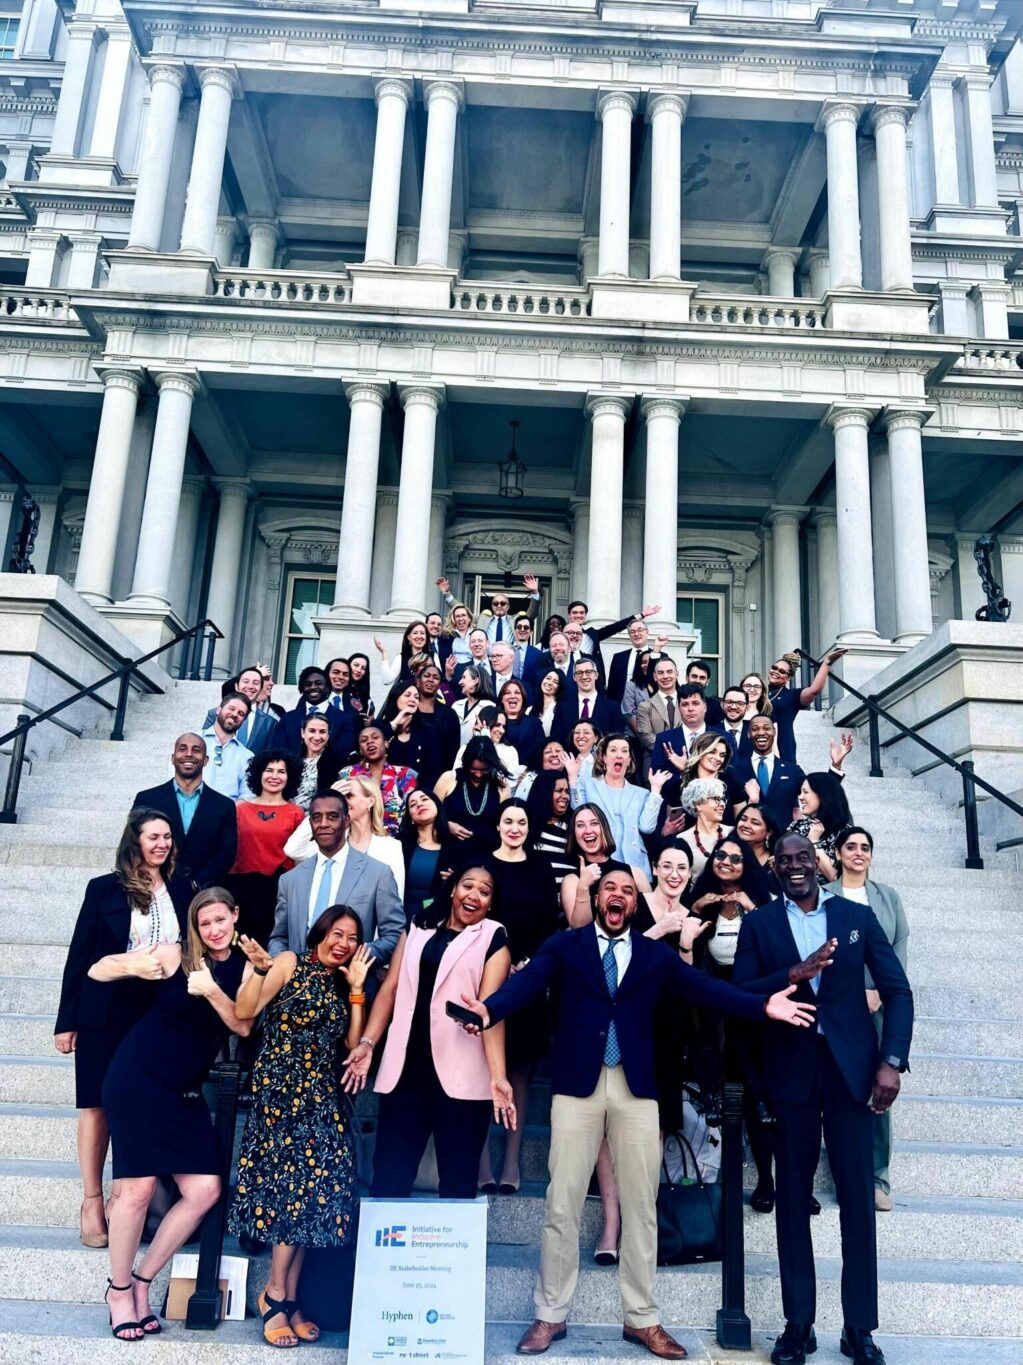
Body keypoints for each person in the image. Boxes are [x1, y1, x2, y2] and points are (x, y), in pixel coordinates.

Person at [459, 861, 817, 1359]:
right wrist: (488, 1008)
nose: (618, 896)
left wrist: (766, 1003)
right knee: (561, 1202)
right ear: (598, 895)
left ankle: (641, 1319)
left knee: (642, 1207)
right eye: (610, 888)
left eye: (628, 891)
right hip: (577, 1087)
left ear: (635, 903)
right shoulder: (567, 944)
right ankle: (550, 1315)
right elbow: (528, 983)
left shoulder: (655, 955)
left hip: (637, 1088)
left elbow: (710, 990)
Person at [733, 833, 913, 1365]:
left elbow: (898, 990)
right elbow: (743, 993)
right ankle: (799, 1325)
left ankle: (859, 1328)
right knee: (792, 1200)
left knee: (857, 1199)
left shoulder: (853, 916)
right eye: (783, 860)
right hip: (789, 1079)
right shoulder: (759, 924)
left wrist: (892, 1061)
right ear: (774, 868)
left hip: (853, 1077)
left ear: (818, 863)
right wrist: (793, 973)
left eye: (802, 858)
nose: (794, 866)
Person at [100, 888, 253, 1340]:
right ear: (195, 926)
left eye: (220, 920)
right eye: (205, 923)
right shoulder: (176, 956)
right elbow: (99, 967)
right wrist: (126, 964)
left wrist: (210, 991)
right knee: (137, 1190)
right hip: (137, 1078)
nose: (214, 930)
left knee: (205, 1188)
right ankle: (118, 1290)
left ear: (235, 915)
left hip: (181, 1091)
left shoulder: (247, 967)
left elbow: (243, 1023)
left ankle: (143, 1280)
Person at [231, 908, 371, 1347]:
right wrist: (257, 969)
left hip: (321, 1099)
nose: (343, 942)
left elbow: (351, 1044)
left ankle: (287, 1297)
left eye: (352, 937)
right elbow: (246, 1010)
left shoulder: (336, 983)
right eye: (336, 933)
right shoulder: (290, 963)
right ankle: (274, 1295)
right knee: (291, 1195)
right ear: (319, 933)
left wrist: (357, 990)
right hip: (281, 1097)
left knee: (315, 1197)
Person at [54, 810, 190, 1251]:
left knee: (140, 1104)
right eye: (153, 837)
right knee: (96, 1106)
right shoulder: (103, 889)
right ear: (135, 840)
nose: (161, 844)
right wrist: (66, 1021)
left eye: (167, 837)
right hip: (105, 1009)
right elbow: (81, 953)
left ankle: (128, 1199)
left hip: (158, 1013)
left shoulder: (184, 889)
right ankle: (92, 1201)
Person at [342, 865, 516, 1199]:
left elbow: (491, 1014)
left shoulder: (495, 938)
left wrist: (498, 1077)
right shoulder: (417, 926)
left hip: (461, 1075)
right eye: (468, 885)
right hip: (405, 1072)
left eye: (485, 891)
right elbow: (390, 988)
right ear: (452, 889)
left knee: (458, 1183)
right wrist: (367, 1043)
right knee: (389, 1177)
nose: (474, 895)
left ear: (491, 902)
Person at [686, 837, 776, 1211]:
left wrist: (751, 909)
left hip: (750, 1006)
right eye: (720, 855)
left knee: (755, 1092)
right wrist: (695, 909)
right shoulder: (701, 899)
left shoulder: (760, 904)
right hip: (710, 1007)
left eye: (736, 858)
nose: (726, 861)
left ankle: (766, 1179)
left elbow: (775, 953)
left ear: (746, 866)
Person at [479, 800, 560, 1192]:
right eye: (508, 820)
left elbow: (549, 920)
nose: (515, 827)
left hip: (526, 975)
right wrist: (496, 962)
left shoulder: (541, 867)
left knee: (519, 1069)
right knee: (479, 1065)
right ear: (498, 825)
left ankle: (511, 1162)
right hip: (481, 973)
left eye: (522, 822)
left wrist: (525, 964)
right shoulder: (482, 865)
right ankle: (480, 1163)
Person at [834, 826, 910, 1214]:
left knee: (880, 1090)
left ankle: (877, 1177)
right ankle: (841, 1173)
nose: (858, 853)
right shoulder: (825, 895)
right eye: (851, 846)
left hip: (879, 1002)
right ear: (839, 853)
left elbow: (898, 948)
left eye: (865, 847)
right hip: (836, 1005)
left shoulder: (888, 897)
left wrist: (881, 992)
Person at [268, 792, 405, 967]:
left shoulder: (377, 873)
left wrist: (355, 958)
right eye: (317, 818)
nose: (323, 824)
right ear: (311, 824)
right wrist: (284, 967)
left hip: (350, 984)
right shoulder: (290, 880)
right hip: (297, 986)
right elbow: (279, 937)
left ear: (347, 821)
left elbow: (395, 934)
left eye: (332, 817)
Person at [133, 733, 237, 890]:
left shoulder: (224, 805)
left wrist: (197, 883)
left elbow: (226, 853)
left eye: (196, 750)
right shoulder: (147, 799)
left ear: (206, 760)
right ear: (173, 758)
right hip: (154, 888)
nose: (189, 754)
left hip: (204, 893)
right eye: (183, 749)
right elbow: (134, 843)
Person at [284, 773, 406, 898]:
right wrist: (325, 805)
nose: (342, 802)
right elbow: (293, 850)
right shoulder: (333, 841)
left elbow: (395, 899)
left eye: (349, 796)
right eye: (340, 797)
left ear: (370, 801)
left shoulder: (391, 847)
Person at [229, 750, 306, 943]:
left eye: (281, 771)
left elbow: (298, 859)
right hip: (241, 888)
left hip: (277, 890)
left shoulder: (296, 813)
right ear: (258, 774)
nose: (274, 776)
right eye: (269, 770)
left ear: (290, 777)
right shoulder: (240, 809)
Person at [567, 734, 664, 880]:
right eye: (613, 750)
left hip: (635, 866)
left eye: (624, 751)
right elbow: (579, 810)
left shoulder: (641, 793)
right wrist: (573, 778)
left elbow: (646, 827)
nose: (619, 755)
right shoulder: (588, 784)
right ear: (604, 757)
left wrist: (655, 791)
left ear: (629, 759)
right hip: (600, 864)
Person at [561, 802, 651, 925]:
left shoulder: (636, 874)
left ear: (604, 827)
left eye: (594, 823)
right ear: (574, 834)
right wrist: (583, 886)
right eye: (580, 825)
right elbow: (579, 932)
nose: (588, 831)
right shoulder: (572, 880)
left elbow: (650, 920)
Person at [649, 683, 727, 807]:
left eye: (695, 703)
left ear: (705, 707)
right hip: (677, 808)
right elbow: (659, 779)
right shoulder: (664, 739)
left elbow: (728, 775)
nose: (690, 709)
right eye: (685, 704)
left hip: (715, 807)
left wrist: (687, 770)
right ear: (679, 708)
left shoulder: (723, 737)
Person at [435, 735, 512, 859]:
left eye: (484, 770)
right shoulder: (449, 778)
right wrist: (446, 824)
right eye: (474, 769)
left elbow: (506, 821)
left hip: (488, 855)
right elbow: (432, 814)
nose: (478, 774)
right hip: (451, 852)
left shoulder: (501, 784)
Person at [765, 649, 848, 763]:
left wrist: (827, 663)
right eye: (774, 668)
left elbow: (814, 690)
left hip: (781, 745)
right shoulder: (758, 692)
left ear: (789, 678)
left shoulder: (792, 696)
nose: (776, 672)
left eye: (782, 671)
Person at [336, 723, 417, 836]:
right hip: (356, 838)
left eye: (375, 737)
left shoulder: (407, 775)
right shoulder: (348, 773)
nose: (370, 741)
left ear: (386, 743)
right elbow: (340, 806)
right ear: (360, 750)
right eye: (364, 740)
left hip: (396, 840)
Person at [788, 772, 854, 883]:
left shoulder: (845, 833)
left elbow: (836, 878)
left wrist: (814, 842)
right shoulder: (796, 826)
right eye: (800, 792)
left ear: (822, 795)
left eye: (805, 792)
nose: (800, 797)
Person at [399, 790, 451, 926]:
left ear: (437, 806)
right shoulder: (399, 845)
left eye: (424, 799)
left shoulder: (457, 847)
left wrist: (455, 880)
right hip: (399, 916)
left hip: (439, 918)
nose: (419, 804)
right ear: (410, 817)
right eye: (413, 804)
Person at [440, 574, 540, 644]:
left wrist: (535, 593)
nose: (499, 606)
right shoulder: (482, 619)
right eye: (496, 603)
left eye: (503, 603)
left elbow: (532, 614)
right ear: (492, 606)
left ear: (508, 606)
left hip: (508, 659)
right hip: (486, 659)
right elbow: (462, 612)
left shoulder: (516, 619)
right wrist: (447, 593)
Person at [202, 665, 279, 755]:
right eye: (246, 682)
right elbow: (203, 744)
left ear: (260, 688)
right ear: (236, 686)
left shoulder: (269, 723)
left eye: (255, 683)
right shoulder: (215, 713)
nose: (250, 686)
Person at [524, 768, 574, 896]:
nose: (565, 796)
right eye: (558, 791)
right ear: (543, 793)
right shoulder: (526, 828)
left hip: (571, 905)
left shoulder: (574, 827)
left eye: (567, 791)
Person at [553, 656, 623, 746]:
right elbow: (556, 739)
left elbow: (616, 740)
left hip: (600, 758)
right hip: (570, 758)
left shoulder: (613, 708)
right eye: (579, 673)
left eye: (588, 672)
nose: (584, 676)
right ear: (574, 677)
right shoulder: (562, 707)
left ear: (596, 675)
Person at [199, 693, 255, 802]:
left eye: (241, 713)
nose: (235, 714)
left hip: (228, 816)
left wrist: (226, 814)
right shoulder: (191, 741)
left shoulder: (247, 756)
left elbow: (247, 796)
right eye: (231, 708)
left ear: (243, 720)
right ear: (218, 710)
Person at [412, 661, 461, 782]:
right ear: (418, 681)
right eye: (427, 676)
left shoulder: (450, 715)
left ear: (440, 684)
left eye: (435, 677)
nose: (430, 680)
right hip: (408, 775)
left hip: (437, 776)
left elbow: (453, 751)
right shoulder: (407, 710)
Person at [678, 777, 733, 881]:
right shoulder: (683, 839)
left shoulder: (732, 833)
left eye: (723, 799)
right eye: (717, 799)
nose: (722, 804)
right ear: (698, 804)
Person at [454, 704, 521, 784]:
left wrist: (488, 745)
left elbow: (510, 784)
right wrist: (482, 742)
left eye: (503, 726)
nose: (502, 730)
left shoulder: (510, 751)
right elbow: (456, 778)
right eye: (497, 725)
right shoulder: (464, 749)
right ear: (484, 723)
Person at [293, 713, 343, 810]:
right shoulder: (291, 761)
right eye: (312, 731)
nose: (317, 737)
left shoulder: (337, 763)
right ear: (303, 733)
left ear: (328, 735)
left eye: (322, 732)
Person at [636, 656, 682, 759]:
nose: (665, 676)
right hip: (654, 760)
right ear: (655, 676)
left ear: (677, 674)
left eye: (669, 672)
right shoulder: (645, 706)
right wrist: (670, 750)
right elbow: (646, 737)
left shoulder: (687, 703)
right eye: (660, 673)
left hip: (685, 759)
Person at [498, 677, 545, 771]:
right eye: (507, 693)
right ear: (502, 699)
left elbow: (541, 753)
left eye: (517, 692)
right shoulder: (493, 722)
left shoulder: (534, 723)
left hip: (527, 775)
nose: (512, 696)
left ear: (523, 699)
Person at [736, 803, 782, 897]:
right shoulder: (727, 853)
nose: (746, 825)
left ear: (769, 832)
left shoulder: (777, 861)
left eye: (755, 823)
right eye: (743, 819)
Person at [607, 618, 657, 704]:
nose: (636, 634)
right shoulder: (618, 658)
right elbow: (612, 687)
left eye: (640, 630)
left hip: (651, 706)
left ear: (647, 632)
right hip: (622, 707)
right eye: (632, 631)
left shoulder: (657, 655)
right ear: (629, 635)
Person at [375, 620, 430, 684]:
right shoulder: (401, 657)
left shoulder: (433, 656)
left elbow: (439, 681)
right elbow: (387, 680)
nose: (419, 636)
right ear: (409, 637)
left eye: (422, 633)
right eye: (415, 633)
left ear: (426, 638)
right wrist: (384, 653)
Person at [452, 663, 494, 741]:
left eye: (464, 677)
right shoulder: (456, 705)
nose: (460, 682)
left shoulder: (490, 707)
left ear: (475, 680)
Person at [684, 659, 724, 726]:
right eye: (694, 676)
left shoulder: (716, 707)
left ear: (707, 682)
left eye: (702, 678)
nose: (697, 681)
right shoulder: (676, 701)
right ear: (687, 678)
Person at [529, 667, 566, 739]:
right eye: (548, 678)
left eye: (555, 682)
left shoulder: (562, 710)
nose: (550, 683)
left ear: (559, 687)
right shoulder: (529, 709)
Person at [719, 685, 753, 759]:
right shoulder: (711, 732)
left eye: (740, 703)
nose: (734, 707)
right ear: (722, 704)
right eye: (729, 702)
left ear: (747, 707)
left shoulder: (753, 732)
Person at [441, 597, 475, 665]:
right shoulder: (446, 636)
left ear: (469, 619)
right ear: (453, 619)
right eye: (457, 616)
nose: (461, 619)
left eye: (463, 615)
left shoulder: (476, 634)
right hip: (454, 670)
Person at [512, 612, 542, 680]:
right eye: (519, 627)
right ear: (515, 630)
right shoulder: (505, 649)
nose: (522, 629)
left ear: (531, 632)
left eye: (526, 627)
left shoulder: (538, 654)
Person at [346, 652, 375, 718]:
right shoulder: (339, 689)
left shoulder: (363, 691)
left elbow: (372, 716)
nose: (359, 670)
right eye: (356, 665)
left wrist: (370, 721)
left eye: (363, 668)